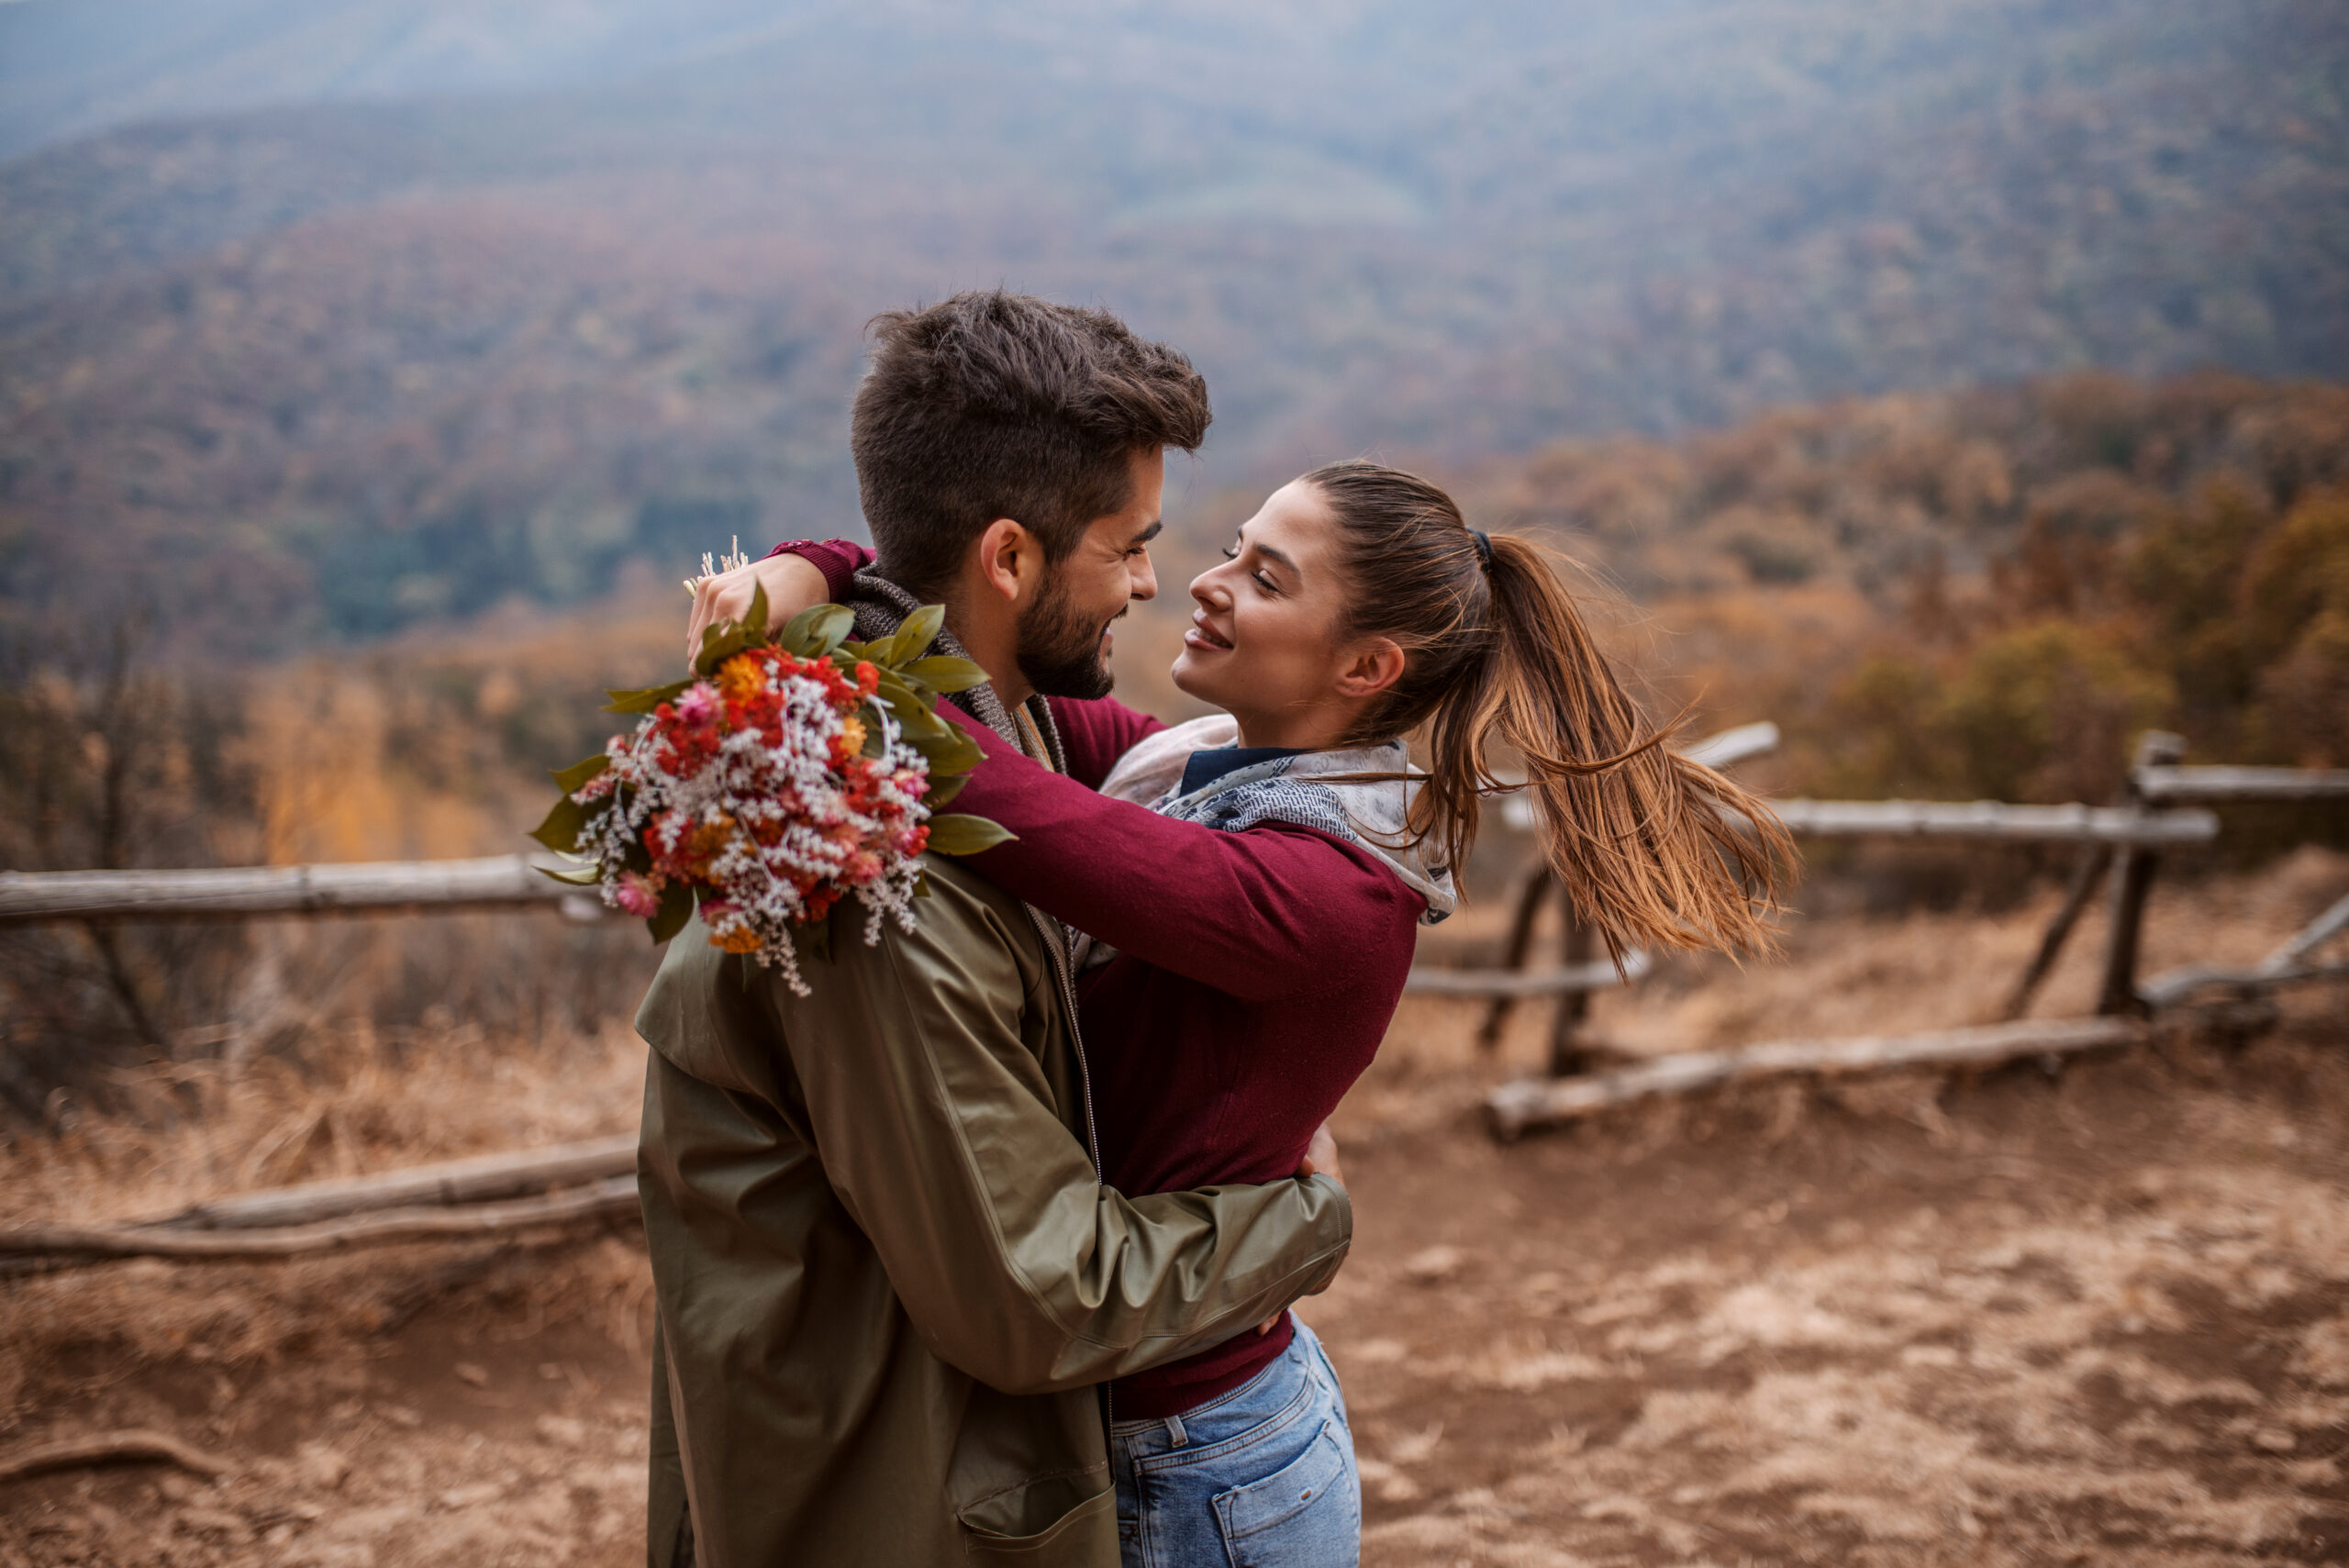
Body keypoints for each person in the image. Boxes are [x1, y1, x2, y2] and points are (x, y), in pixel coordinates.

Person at [695, 462, 1791, 1568]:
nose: (1202, 582)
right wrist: (814, 567)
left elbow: (960, 763)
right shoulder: (1188, 763)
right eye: (1232, 545)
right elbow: (972, 672)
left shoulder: (1322, 894)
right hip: (1134, 1409)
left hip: (1197, 1458)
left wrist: (802, 623)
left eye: (1263, 577)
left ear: (1365, 665)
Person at [638, 291, 1360, 1568]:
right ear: (1010, 560)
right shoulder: (872, 873)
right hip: (894, 1497)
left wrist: (807, 569)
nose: (1153, 581)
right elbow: (1033, 1296)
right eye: (1126, 545)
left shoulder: (961, 717)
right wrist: (1301, 1219)